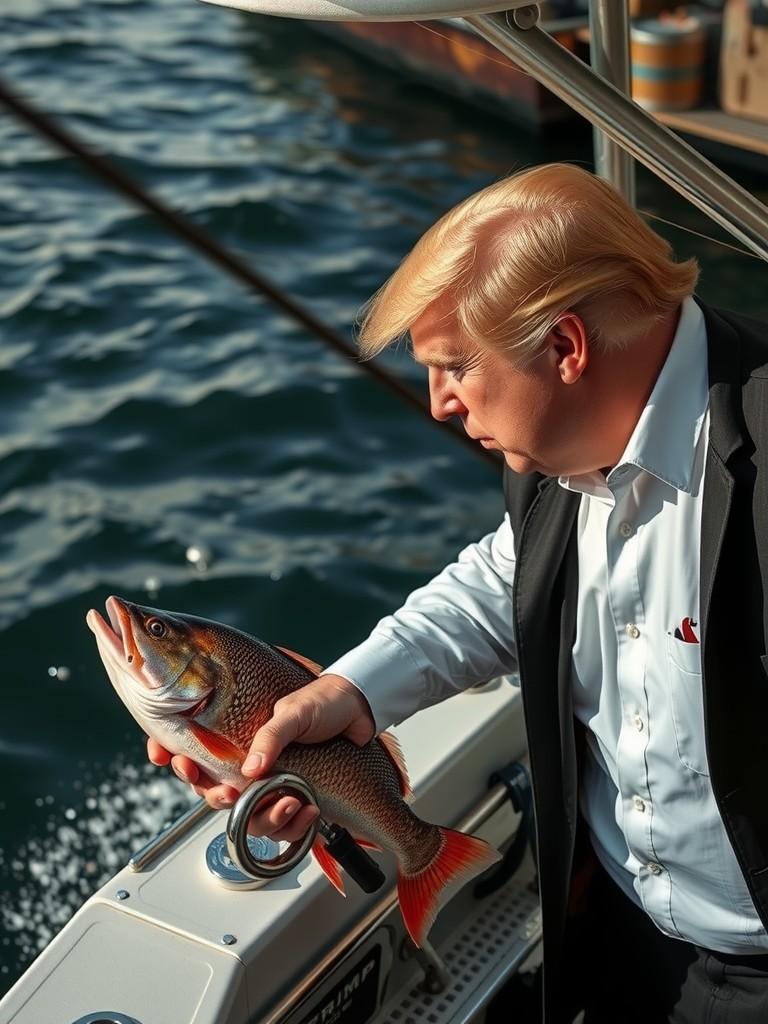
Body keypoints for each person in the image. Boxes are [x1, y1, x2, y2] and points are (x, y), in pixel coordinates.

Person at [148, 163, 768, 1023]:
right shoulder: (558, 444)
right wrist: (344, 694)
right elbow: (501, 579)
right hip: (617, 922)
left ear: (564, 347)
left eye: (454, 368)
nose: (438, 404)